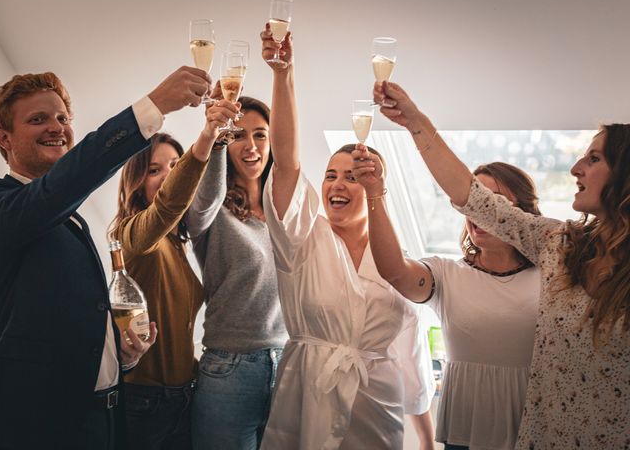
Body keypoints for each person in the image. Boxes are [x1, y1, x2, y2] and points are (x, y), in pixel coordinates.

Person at [373, 81, 630, 449]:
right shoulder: (561, 246)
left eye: (594, 159)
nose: (576, 168)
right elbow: (472, 198)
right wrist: (417, 124)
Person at [0, 67, 211, 450]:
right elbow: (55, 193)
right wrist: (154, 105)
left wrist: (118, 352)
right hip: (41, 424)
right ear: (3, 138)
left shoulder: (70, 216)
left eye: (62, 118)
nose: (56, 127)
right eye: (38, 119)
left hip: (104, 418)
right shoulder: (1, 205)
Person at [258, 26, 435, 449]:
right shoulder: (302, 238)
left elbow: (413, 365)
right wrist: (284, 75)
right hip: (309, 402)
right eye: (331, 175)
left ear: (374, 186)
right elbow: (285, 164)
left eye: (353, 177)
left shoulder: (397, 261)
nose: (337, 184)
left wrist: (429, 444)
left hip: (378, 410)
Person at [352, 152, 542, 450]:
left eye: (491, 202)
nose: (478, 212)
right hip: (463, 433)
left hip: (533, 428)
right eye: (473, 203)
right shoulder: (447, 273)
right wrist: (375, 194)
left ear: (521, 211)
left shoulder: (552, 276)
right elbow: (394, 271)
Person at [110, 121, 225, 449]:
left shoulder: (180, 243)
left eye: (175, 166)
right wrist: (206, 138)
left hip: (184, 395)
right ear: (136, 182)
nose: (168, 176)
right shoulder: (131, 234)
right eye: (154, 170)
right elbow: (164, 210)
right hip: (144, 402)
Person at [186, 93, 287, 450]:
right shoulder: (214, 211)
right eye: (239, 135)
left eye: (260, 134)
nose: (251, 145)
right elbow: (199, 210)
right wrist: (216, 136)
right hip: (229, 369)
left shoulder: (282, 212)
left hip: (286, 366)